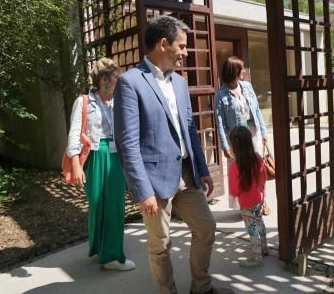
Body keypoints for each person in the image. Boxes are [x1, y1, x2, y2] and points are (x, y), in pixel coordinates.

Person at [113, 15, 234, 294]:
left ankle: (201, 288)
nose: (186, 52)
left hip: (186, 175)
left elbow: (190, 129)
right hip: (154, 182)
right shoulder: (130, 83)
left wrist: (202, 169)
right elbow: (127, 143)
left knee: (206, 228)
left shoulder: (179, 83)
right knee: (161, 245)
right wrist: (142, 191)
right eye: (182, 46)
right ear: (163, 44)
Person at [66, 58, 135, 270]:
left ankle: (113, 256)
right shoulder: (84, 101)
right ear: (104, 79)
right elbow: (74, 134)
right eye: (116, 77)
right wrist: (76, 165)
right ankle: (101, 249)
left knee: (114, 206)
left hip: (114, 156)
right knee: (97, 206)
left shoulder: (117, 102)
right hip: (94, 156)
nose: (119, 81)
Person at [214, 56, 268, 210]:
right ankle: (243, 205)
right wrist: (225, 146)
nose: (244, 70)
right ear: (234, 71)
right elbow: (220, 122)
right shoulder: (221, 94)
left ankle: (261, 201)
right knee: (240, 171)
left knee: (257, 168)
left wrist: (264, 133)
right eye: (241, 68)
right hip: (236, 139)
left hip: (254, 133)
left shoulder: (247, 87)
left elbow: (257, 111)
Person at [228, 126, 269, 268]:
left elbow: (234, 190)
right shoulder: (257, 158)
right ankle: (264, 247)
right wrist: (261, 192)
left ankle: (256, 257)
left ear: (234, 146)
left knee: (252, 229)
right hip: (259, 198)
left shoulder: (234, 166)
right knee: (260, 222)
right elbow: (263, 177)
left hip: (246, 203)